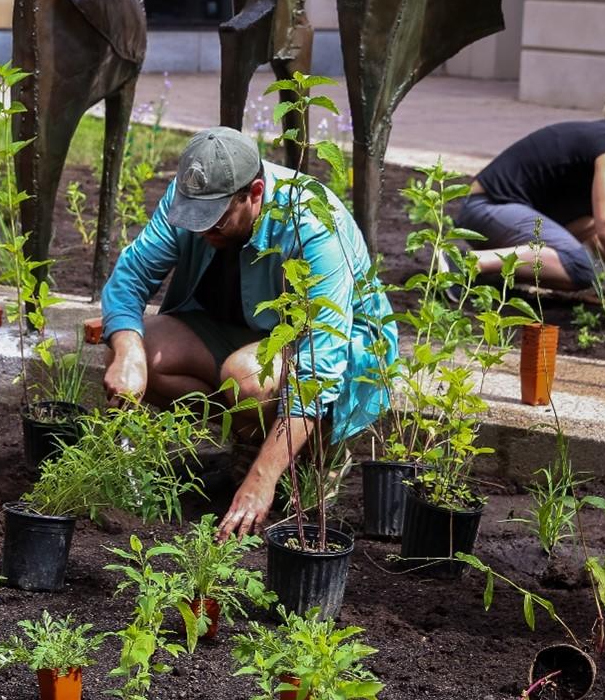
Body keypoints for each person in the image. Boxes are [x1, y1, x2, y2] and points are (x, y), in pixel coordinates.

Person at [99, 126, 398, 541]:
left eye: (217, 221)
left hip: (334, 360)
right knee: (143, 346)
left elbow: (321, 365)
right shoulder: (191, 195)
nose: (204, 232)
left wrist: (262, 479)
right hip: (242, 335)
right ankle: (250, 441)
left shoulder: (311, 224)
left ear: (254, 192)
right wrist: (127, 350)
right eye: (196, 221)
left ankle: (304, 460)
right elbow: (130, 276)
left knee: (246, 377)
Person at [455, 88, 605, 296]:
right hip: (487, 209)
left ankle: (495, 271)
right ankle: (464, 264)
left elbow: (596, 233)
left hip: (486, 213)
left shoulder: (600, 138)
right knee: (579, 267)